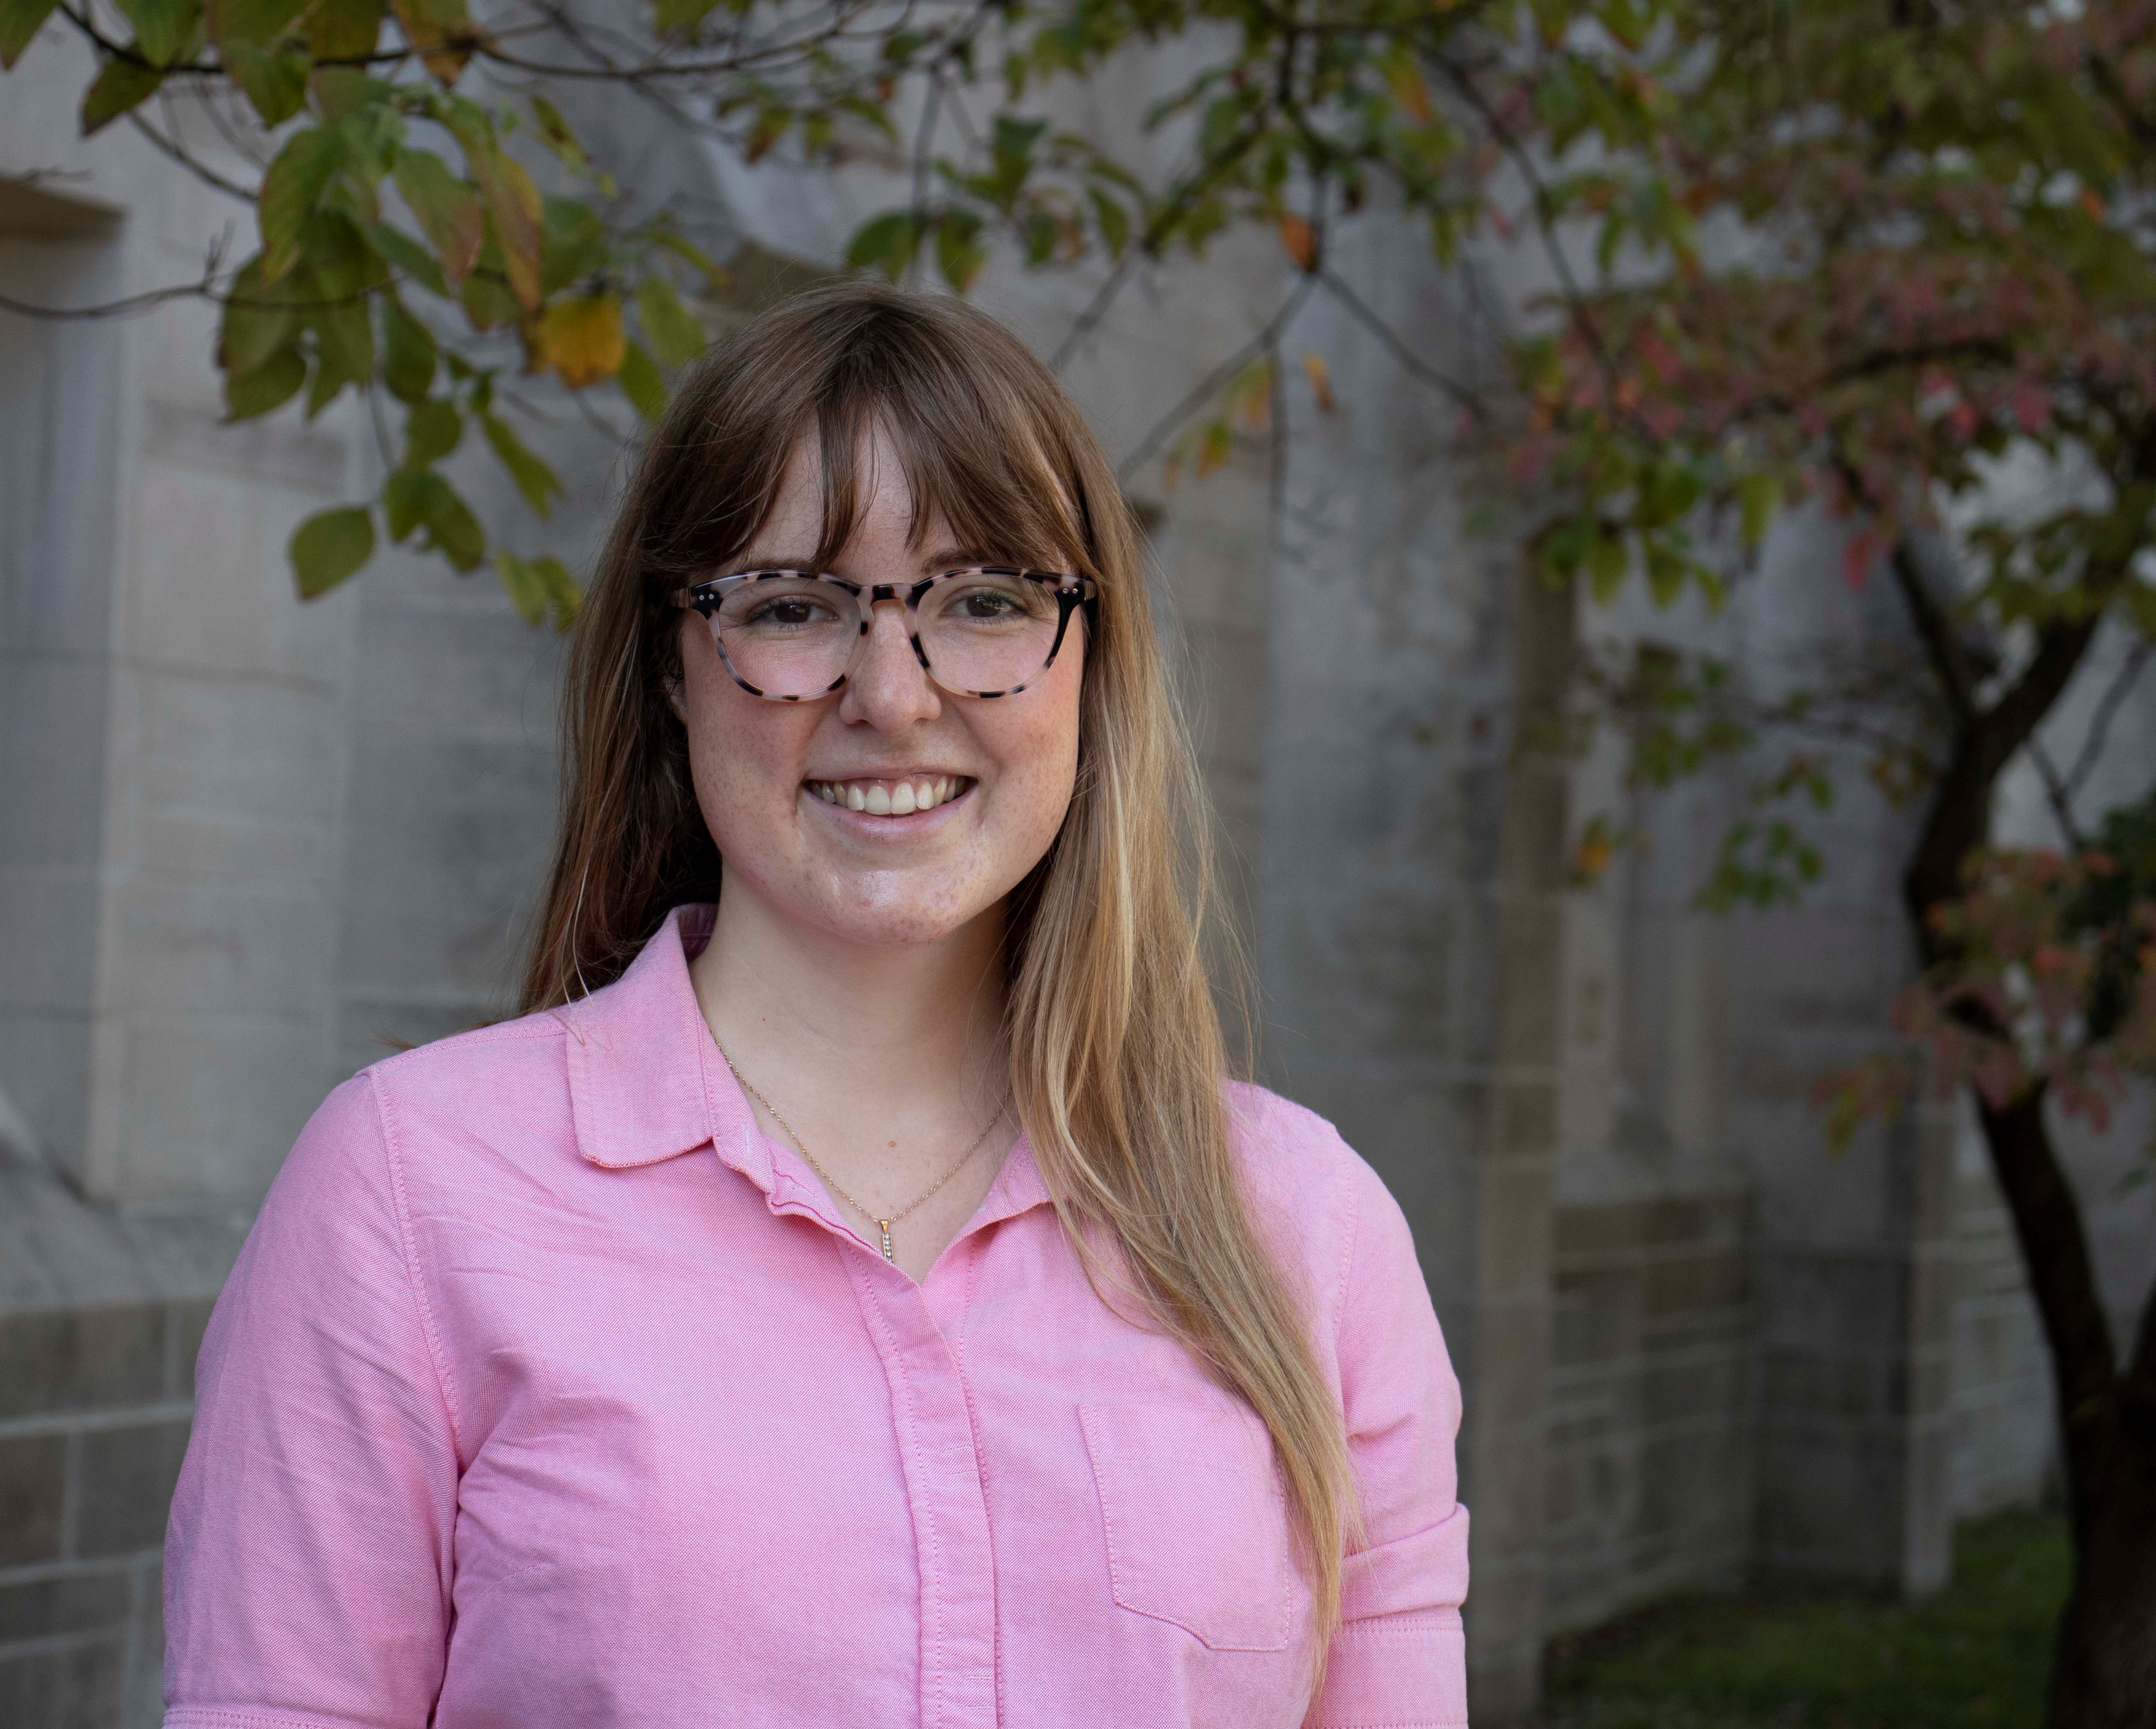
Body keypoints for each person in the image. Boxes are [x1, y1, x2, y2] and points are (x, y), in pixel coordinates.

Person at [160, 280, 1468, 1729]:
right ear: (672, 663)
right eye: (794, 606)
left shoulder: (1311, 1235)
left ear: (1093, 665)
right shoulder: (410, 1195)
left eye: (985, 603)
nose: (893, 694)